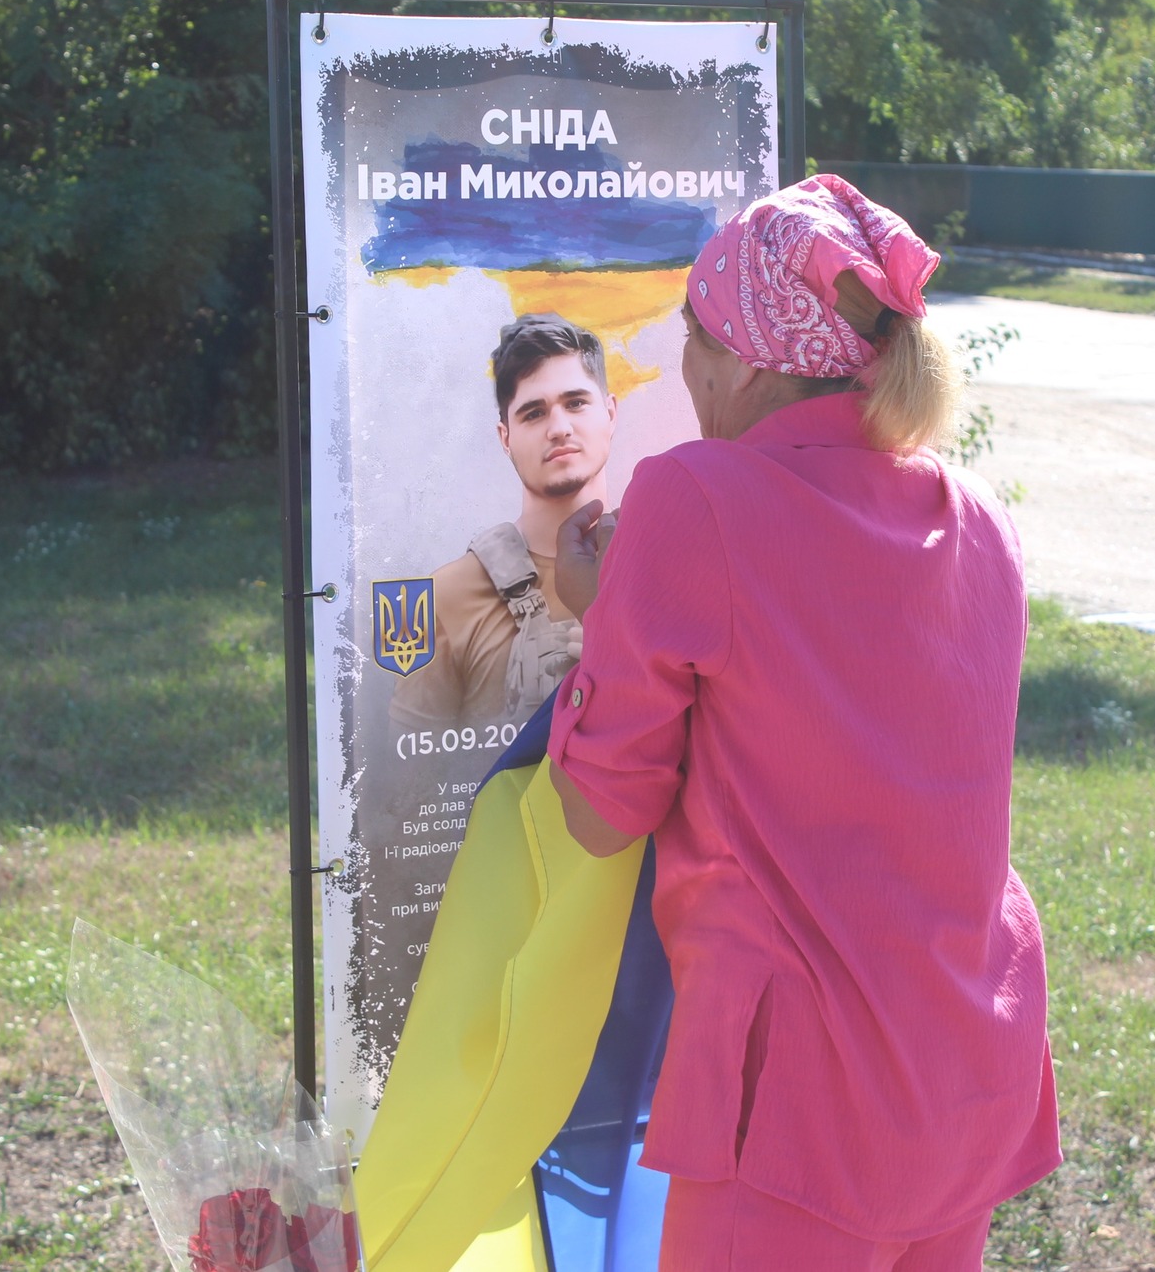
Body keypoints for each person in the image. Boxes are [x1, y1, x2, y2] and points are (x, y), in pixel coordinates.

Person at [545, 176, 1059, 1271]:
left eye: (692, 338)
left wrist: (603, 615)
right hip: (968, 1066)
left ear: (742, 363)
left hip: (803, 1106)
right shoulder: (978, 518)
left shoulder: (694, 499)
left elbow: (601, 813)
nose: (685, 371)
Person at [389, 314, 619, 732]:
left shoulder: (664, 569)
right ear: (505, 437)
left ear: (610, 412)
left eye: (575, 403)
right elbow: (411, 763)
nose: (559, 428)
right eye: (534, 413)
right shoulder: (442, 597)